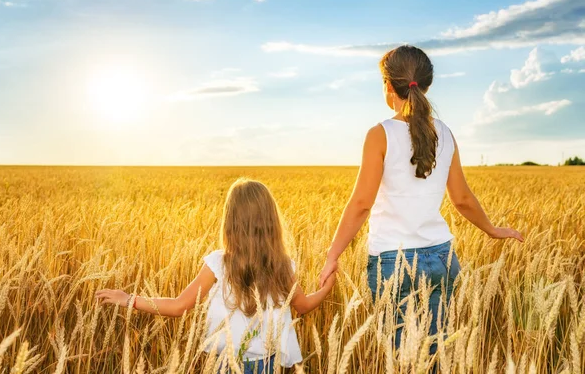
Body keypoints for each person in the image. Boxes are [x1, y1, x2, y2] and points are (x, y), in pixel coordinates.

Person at [318, 45, 523, 352]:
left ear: (389, 87)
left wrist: (333, 255)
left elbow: (361, 204)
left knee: (399, 359)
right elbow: (463, 198)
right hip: (441, 257)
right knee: (435, 355)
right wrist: (492, 229)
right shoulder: (445, 133)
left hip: (393, 261)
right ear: (427, 85)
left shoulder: (380, 134)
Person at [96, 179, 337, 373]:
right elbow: (304, 306)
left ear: (230, 222)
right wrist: (326, 287)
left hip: (224, 363)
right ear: (271, 221)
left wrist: (129, 299)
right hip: (268, 365)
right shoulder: (283, 266)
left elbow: (179, 306)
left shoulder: (218, 263)